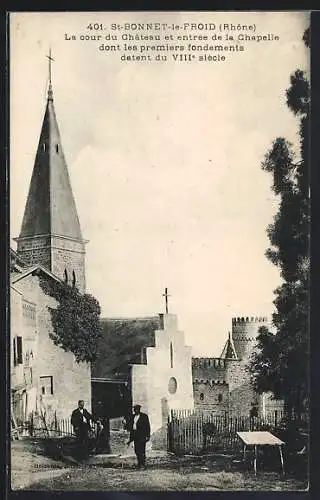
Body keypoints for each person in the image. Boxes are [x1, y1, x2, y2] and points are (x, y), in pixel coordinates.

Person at [127, 404, 151, 469]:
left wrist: (147, 436)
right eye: (134, 409)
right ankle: (139, 463)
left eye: (137, 409)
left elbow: (147, 427)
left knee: (142, 450)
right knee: (137, 450)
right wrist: (130, 439)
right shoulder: (132, 417)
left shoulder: (144, 416)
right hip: (135, 436)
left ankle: (142, 465)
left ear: (139, 410)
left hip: (142, 435)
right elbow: (131, 427)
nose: (136, 411)